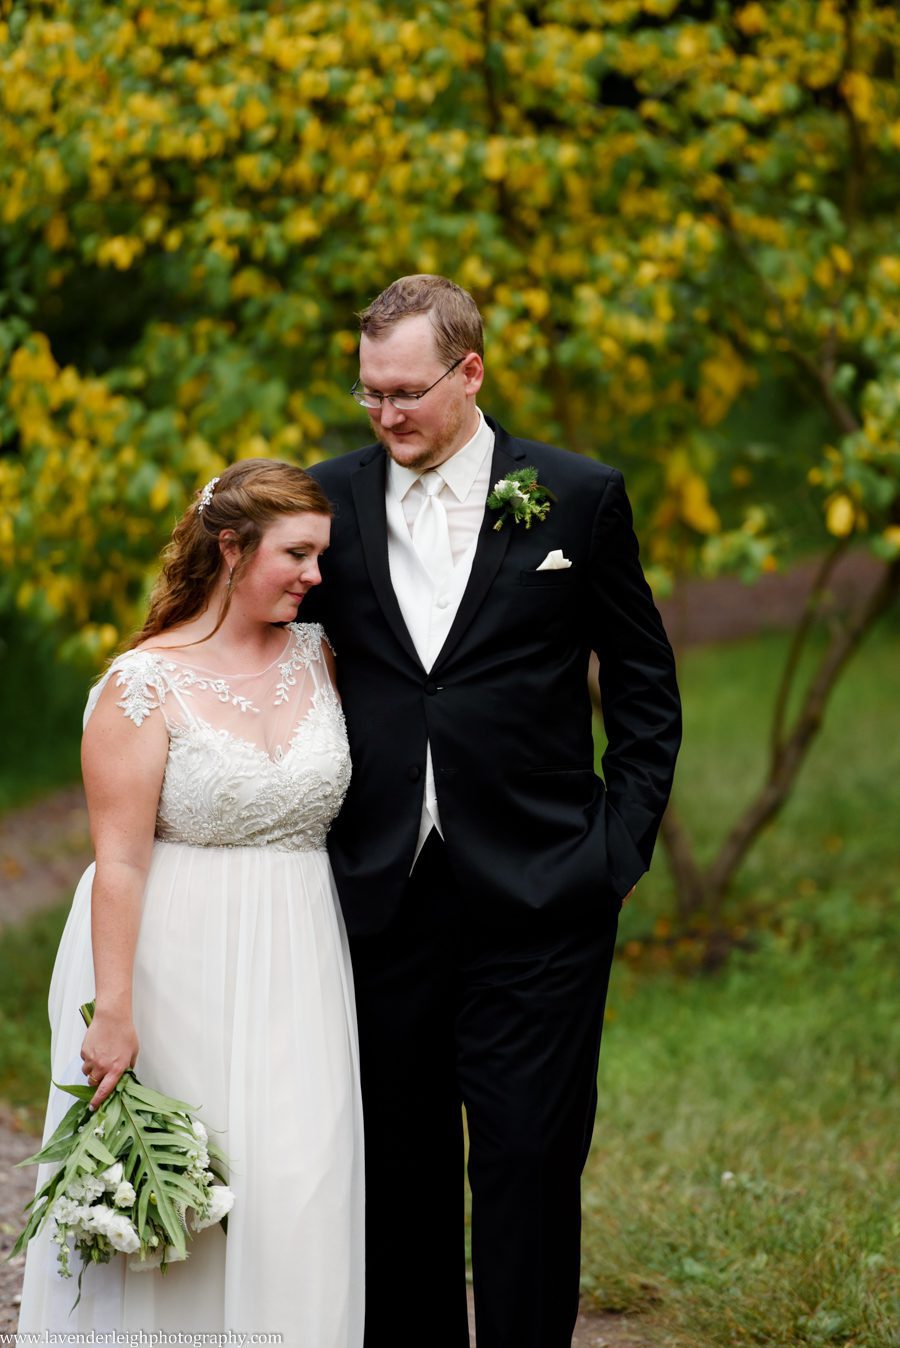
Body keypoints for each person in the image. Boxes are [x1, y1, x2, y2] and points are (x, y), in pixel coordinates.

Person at [304, 275, 682, 1348]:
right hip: (381, 895)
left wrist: (618, 845)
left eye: (408, 392)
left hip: (544, 896)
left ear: (471, 371)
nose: (386, 415)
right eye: (370, 392)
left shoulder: (577, 495)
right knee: (400, 1172)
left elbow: (646, 688)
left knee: (527, 1162)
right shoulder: (326, 502)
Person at [17, 460, 364, 1347]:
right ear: (230, 547)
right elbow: (120, 862)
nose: (315, 575)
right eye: (297, 554)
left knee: (300, 1184)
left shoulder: (321, 654)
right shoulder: (142, 684)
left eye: (320, 556)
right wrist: (116, 1012)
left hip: (302, 955)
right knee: (184, 1196)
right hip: (177, 965)